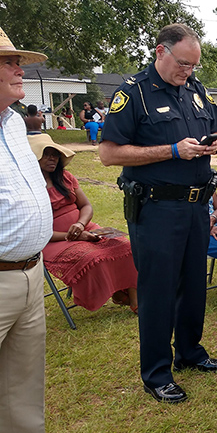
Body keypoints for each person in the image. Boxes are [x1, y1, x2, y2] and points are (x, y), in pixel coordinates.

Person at [98, 23, 217, 404]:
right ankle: (156, 373)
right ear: (160, 52)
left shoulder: (195, 90)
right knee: (158, 291)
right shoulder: (133, 94)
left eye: (193, 66)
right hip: (156, 208)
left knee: (192, 284)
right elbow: (109, 154)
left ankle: (190, 352)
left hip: (195, 205)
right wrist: (172, 150)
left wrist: (213, 142)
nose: (188, 71)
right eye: (183, 64)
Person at [0, 24, 96, 433]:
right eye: (6, 62)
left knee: (23, 371)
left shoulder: (16, 122)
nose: (18, 68)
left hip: (30, 269)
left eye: (16, 59)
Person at [31, 133, 138, 313]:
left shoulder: (65, 177)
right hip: (53, 239)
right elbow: (36, 230)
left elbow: (86, 205)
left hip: (84, 228)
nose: (52, 158)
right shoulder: (30, 187)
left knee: (127, 247)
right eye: (46, 153)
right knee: (91, 257)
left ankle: (133, 298)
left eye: (55, 154)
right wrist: (72, 236)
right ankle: (112, 293)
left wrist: (80, 225)